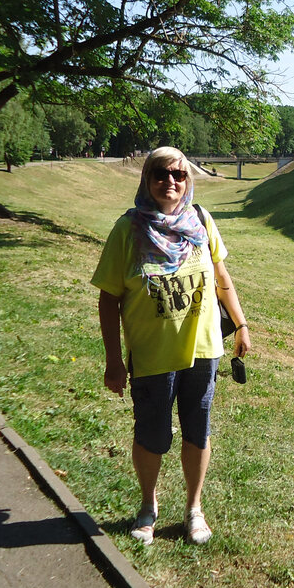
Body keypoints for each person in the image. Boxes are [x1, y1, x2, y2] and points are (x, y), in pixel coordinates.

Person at [91, 146, 251, 545]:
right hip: (152, 354)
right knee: (152, 435)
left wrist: (243, 324)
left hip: (203, 349)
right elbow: (108, 298)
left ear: (188, 180)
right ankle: (148, 506)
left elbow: (220, 275)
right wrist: (113, 359)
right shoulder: (128, 231)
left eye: (179, 175)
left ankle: (194, 509)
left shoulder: (200, 220)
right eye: (161, 174)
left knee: (198, 430)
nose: (171, 182)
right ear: (146, 179)